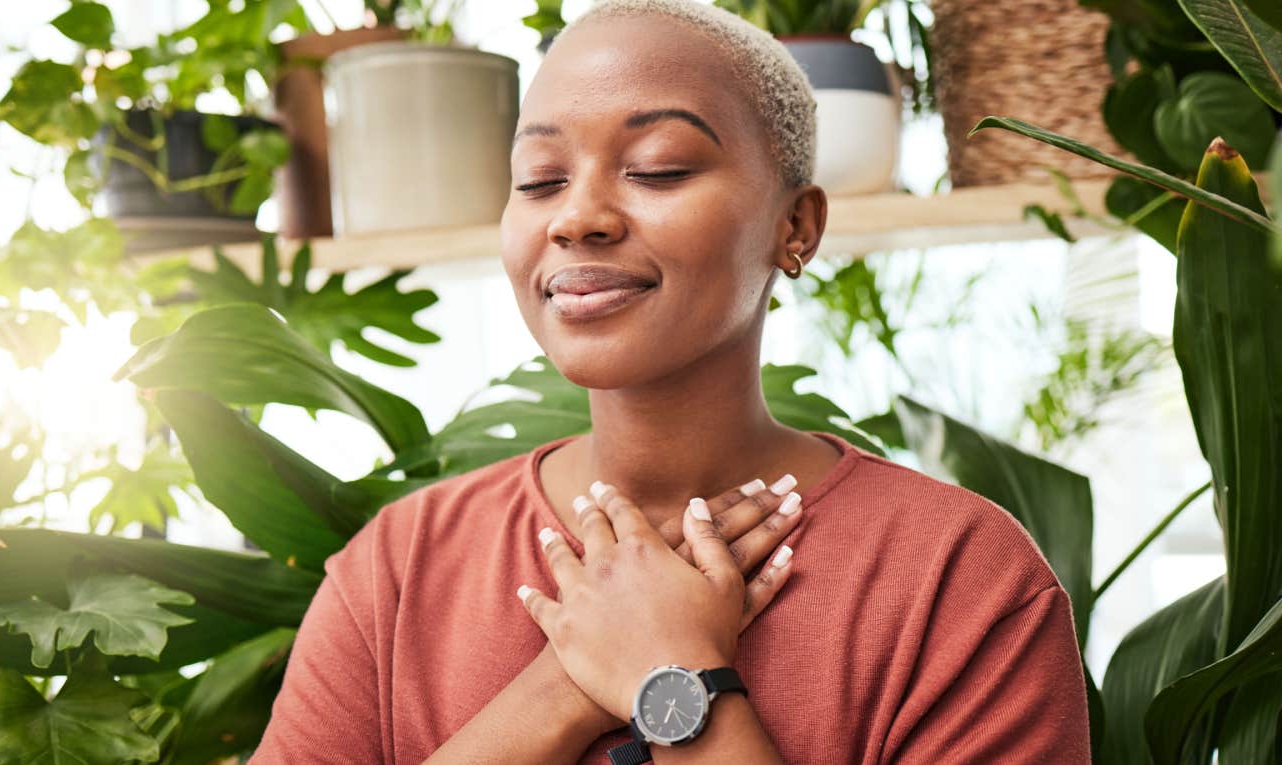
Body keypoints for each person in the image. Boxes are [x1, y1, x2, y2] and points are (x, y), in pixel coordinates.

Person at [250, 0, 1092, 762]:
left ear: (795, 226)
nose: (576, 216)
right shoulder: (395, 572)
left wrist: (676, 677)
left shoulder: (960, 581)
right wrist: (563, 686)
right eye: (539, 180)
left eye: (657, 168)